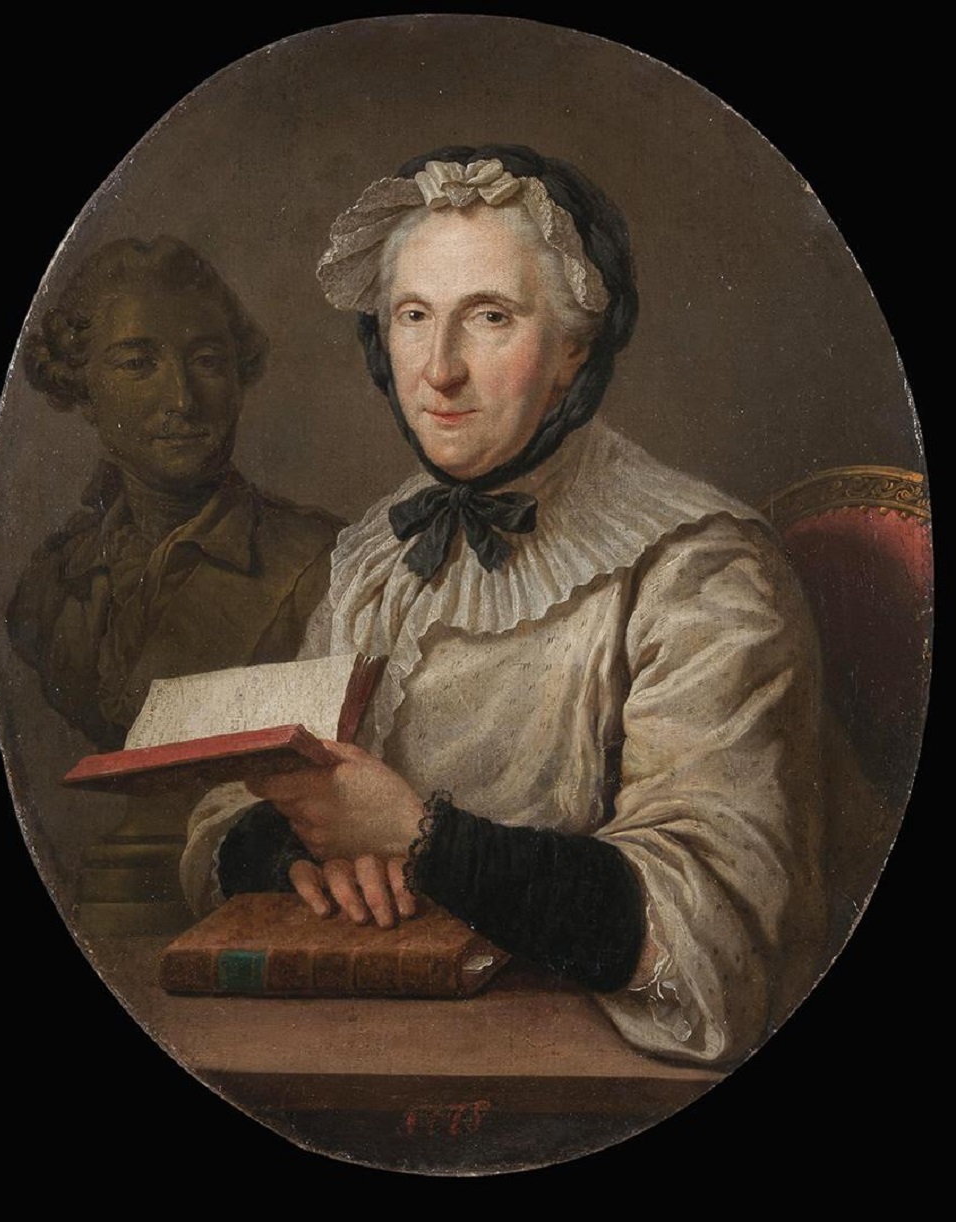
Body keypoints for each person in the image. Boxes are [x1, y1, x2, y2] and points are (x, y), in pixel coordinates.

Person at [181, 146, 826, 1067]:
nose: (439, 370)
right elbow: (241, 800)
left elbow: (715, 933)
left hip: (590, 1065)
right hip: (373, 1024)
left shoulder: (699, 567)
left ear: (575, 349)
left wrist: (420, 840)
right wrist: (299, 850)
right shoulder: (377, 553)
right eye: (413, 317)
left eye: (490, 316)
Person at [10, 236, 340, 749]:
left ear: (237, 379)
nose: (182, 400)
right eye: (138, 364)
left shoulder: (327, 562)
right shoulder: (49, 581)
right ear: (84, 388)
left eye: (207, 361)